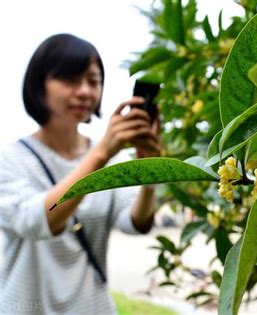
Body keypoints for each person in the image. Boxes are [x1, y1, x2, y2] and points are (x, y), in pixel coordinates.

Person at [0, 34, 161, 314]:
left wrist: (149, 170)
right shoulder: (11, 159)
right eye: (70, 80)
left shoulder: (110, 158)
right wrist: (99, 155)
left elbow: (135, 223)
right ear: (39, 85)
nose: (85, 91)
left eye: (94, 81)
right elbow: (36, 222)